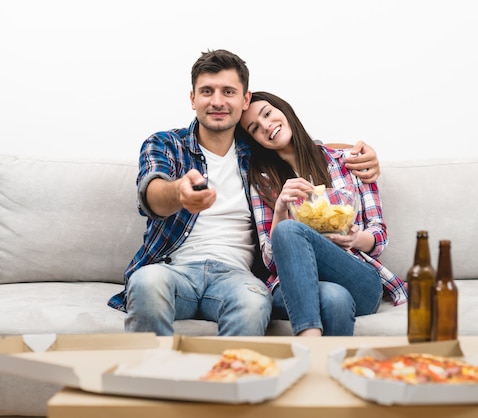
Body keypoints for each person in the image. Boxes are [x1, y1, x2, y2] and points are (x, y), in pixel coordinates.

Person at [107, 49, 382, 336]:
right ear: (192, 99)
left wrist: (359, 153)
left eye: (228, 91)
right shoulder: (166, 144)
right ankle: (152, 376)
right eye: (206, 91)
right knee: (146, 282)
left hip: (237, 278)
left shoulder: (258, 156)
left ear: (244, 99)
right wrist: (179, 192)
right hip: (173, 270)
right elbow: (151, 193)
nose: (217, 101)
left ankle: (235, 377)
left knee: (253, 303)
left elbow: (298, 146)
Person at [238, 91, 408, 336]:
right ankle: (318, 355)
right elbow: (272, 261)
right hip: (294, 284)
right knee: (334, 299)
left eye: (267, 113)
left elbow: (379, 235)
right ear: (256, 140)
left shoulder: (348, 162)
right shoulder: (261, 183)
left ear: (284, 110)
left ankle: (307, 347)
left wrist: (355, 238)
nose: (266, 126)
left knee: (291, 231)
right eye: (255, 128)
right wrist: (280, 209)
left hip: (357, 276)